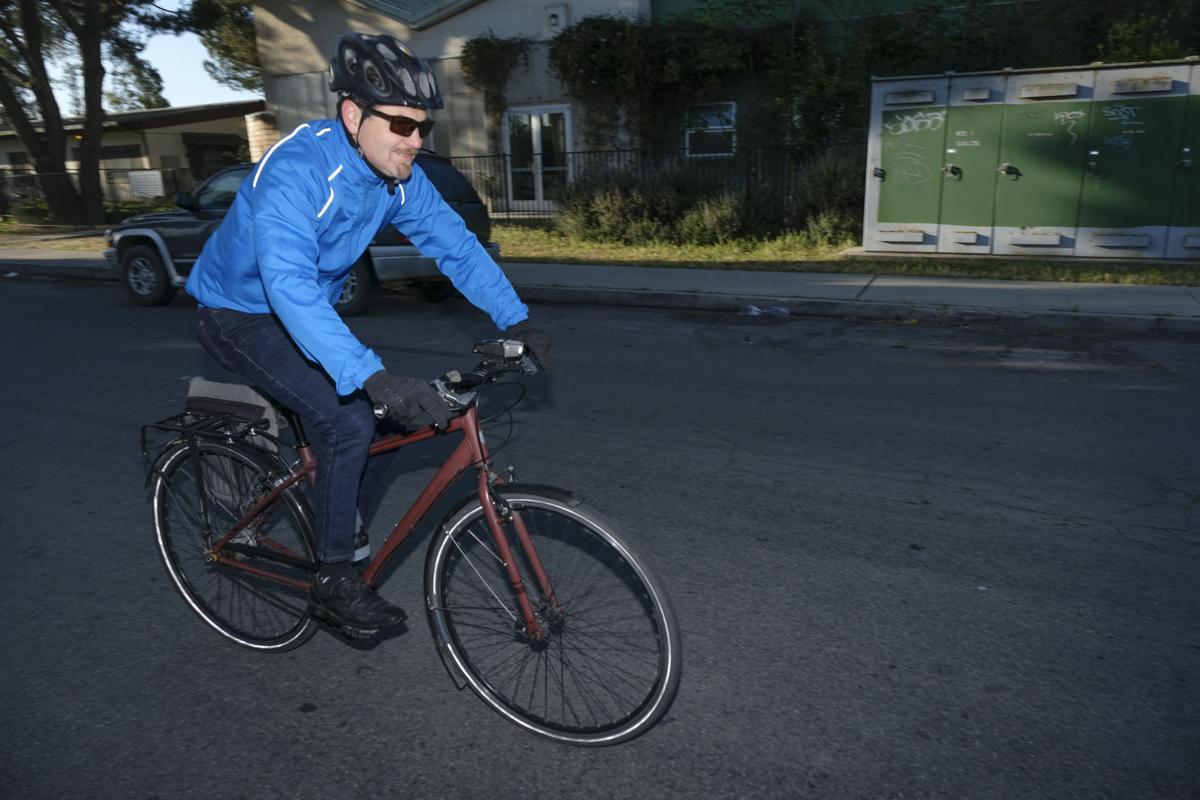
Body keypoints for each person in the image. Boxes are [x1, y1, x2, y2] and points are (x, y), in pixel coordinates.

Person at [185, 31, 549, 634]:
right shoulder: (296, 171)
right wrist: (372, 378)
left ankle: (337, 518)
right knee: (349, 419)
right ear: (353, 115)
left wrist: (516, 318)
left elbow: (456, 246)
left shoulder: (396, 178)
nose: (415, 141)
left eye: (423, 128)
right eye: (402, 125)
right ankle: (334, 579)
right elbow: (288, 285)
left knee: (392, 424)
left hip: (306, 311)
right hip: (239, 313)